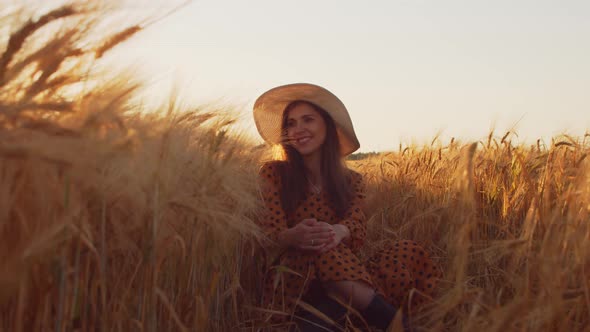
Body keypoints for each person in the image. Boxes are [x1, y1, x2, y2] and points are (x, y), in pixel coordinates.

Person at [253, 83, 440, 331]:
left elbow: (356, 222)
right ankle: (399, 325)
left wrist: (340, 231)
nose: (298, 129)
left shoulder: (352, 181)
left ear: (327, 126)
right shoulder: (274, 174)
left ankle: (335, 315)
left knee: (404, 251)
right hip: (295, 276)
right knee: (322, 246)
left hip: (344, 274)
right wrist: (294, 235)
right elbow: (269, 230)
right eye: (291, 123)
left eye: (308, 120)